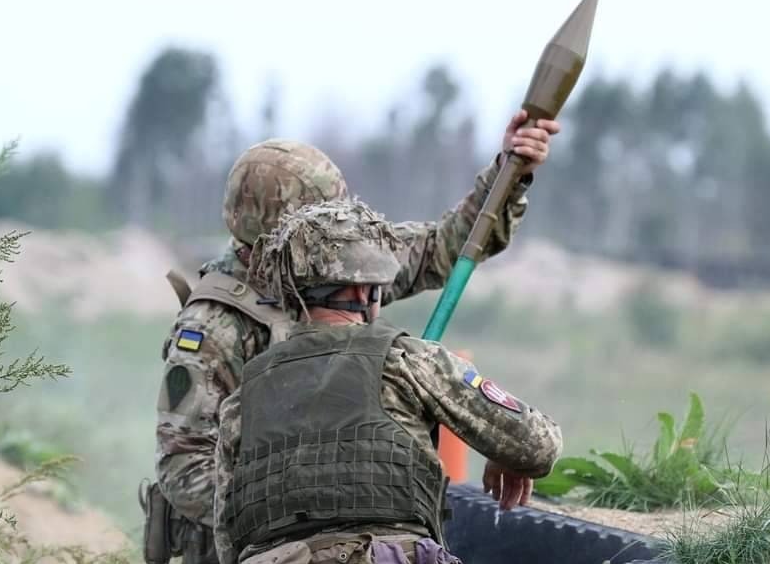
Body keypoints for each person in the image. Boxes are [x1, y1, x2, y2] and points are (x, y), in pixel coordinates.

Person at [146, 111, 560, 563]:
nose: (342, 228)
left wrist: (507, 173)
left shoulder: (342, 258)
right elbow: (184, 467)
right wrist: (303, 491)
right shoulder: (214, 328)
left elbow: (446, 246)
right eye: (327, 220)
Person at [213, 199, 562, 564]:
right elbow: (539, 444)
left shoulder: (242, 401)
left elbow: (226, 540)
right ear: (364, 290)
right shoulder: (406, 362)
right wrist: (506, 454)